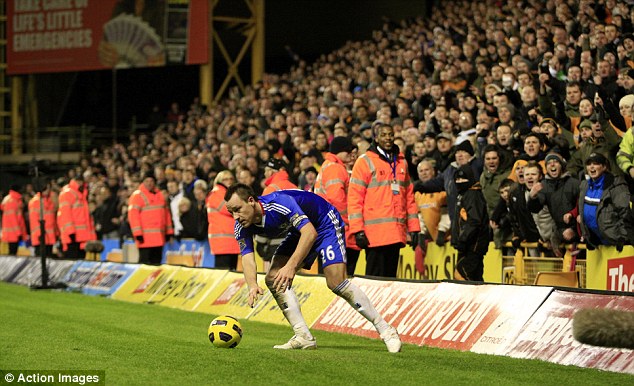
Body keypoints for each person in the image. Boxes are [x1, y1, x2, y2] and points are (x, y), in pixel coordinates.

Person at [224, 183, 401, 352]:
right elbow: (247, 257)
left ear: (251, 201)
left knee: (335, 282)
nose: (236, 217)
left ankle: (386, 329)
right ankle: (303, 336)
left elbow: (310, 233)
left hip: (324, 223)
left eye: (237, 209)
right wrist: (252, 284)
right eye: (231, 212)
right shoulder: (241, 226)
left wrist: (291, 267)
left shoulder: (279, 203)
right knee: (273, 278)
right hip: (298, 231)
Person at [349, 122, 420, 278]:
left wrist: (414, 228)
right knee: (375, 280)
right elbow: (355, 198)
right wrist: (357, 230)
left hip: (396, 233)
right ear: (376, 138)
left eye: (390, 134)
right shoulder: (365, 161)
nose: (388, 138)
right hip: (374, 235)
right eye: (383, 135)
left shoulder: (402, 162)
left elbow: (409, 197)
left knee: (390, 280)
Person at [314, 136, 360, 276]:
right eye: (347, 151)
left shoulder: (327, 166)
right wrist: (350, 223)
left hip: (325, 228)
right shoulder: (336, 168)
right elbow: (337, 200)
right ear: (340, 151)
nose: (350, 154)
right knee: (341, 277)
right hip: (338, 230)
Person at [578, 153, 634, 250]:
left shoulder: (616, 185)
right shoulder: (584, 185)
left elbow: (625, 212)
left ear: (604, 167)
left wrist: (623, 237)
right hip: (597, 243)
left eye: (596, 163)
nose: (591, 167)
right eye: (589, 164)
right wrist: (588, 236)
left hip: (616, 243)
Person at [452, 165, 489, 281]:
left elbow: (474, 221)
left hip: (473, 246)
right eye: (457, 179)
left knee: (461, 274)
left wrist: (463, 240)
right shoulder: (464, 195)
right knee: (475, 278)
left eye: (463, 179)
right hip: (468, 246)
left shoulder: (472, 195)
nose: (460, 182)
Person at [128, 171, 174, 265]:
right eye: (147, 181)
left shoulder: (160, 195)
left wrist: (169, 232)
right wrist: (137, 234)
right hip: (145, 239)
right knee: (144, 264)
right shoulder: (137, 196)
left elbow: (166, 215)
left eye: (151, 181)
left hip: (159, 238)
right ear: (143, 182)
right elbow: (133, 216)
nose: (149, 183)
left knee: (157, 264)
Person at [206, 171, 240, 270]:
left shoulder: (227, 193)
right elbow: (229, 209)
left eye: (231, 179)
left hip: (229, 242)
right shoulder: (217, 193)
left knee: (230, 274)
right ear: (219, 180)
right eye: (225, 179)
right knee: (224, 273)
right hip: (223, 242)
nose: (229, 181)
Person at [57, 175, 96, 260]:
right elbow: (65, 215)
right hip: (72, 238)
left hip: (81, 238)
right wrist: (71, 233)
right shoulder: (67, 193)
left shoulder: (81, 194)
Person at [28, 180, 57, 259]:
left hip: (49, 237)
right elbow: (34, 221)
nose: (48, 190)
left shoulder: (49, 201)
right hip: (40, 238)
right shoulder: (35, 202)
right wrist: (39, 235)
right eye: (47, 188)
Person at [1, 185, 28, 255]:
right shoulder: (12, 201)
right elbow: (13, 219)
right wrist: (18, 232)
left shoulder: (12, 199)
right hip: (13, 233)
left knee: (12, 252)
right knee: (12, 252)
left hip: (12, 232)